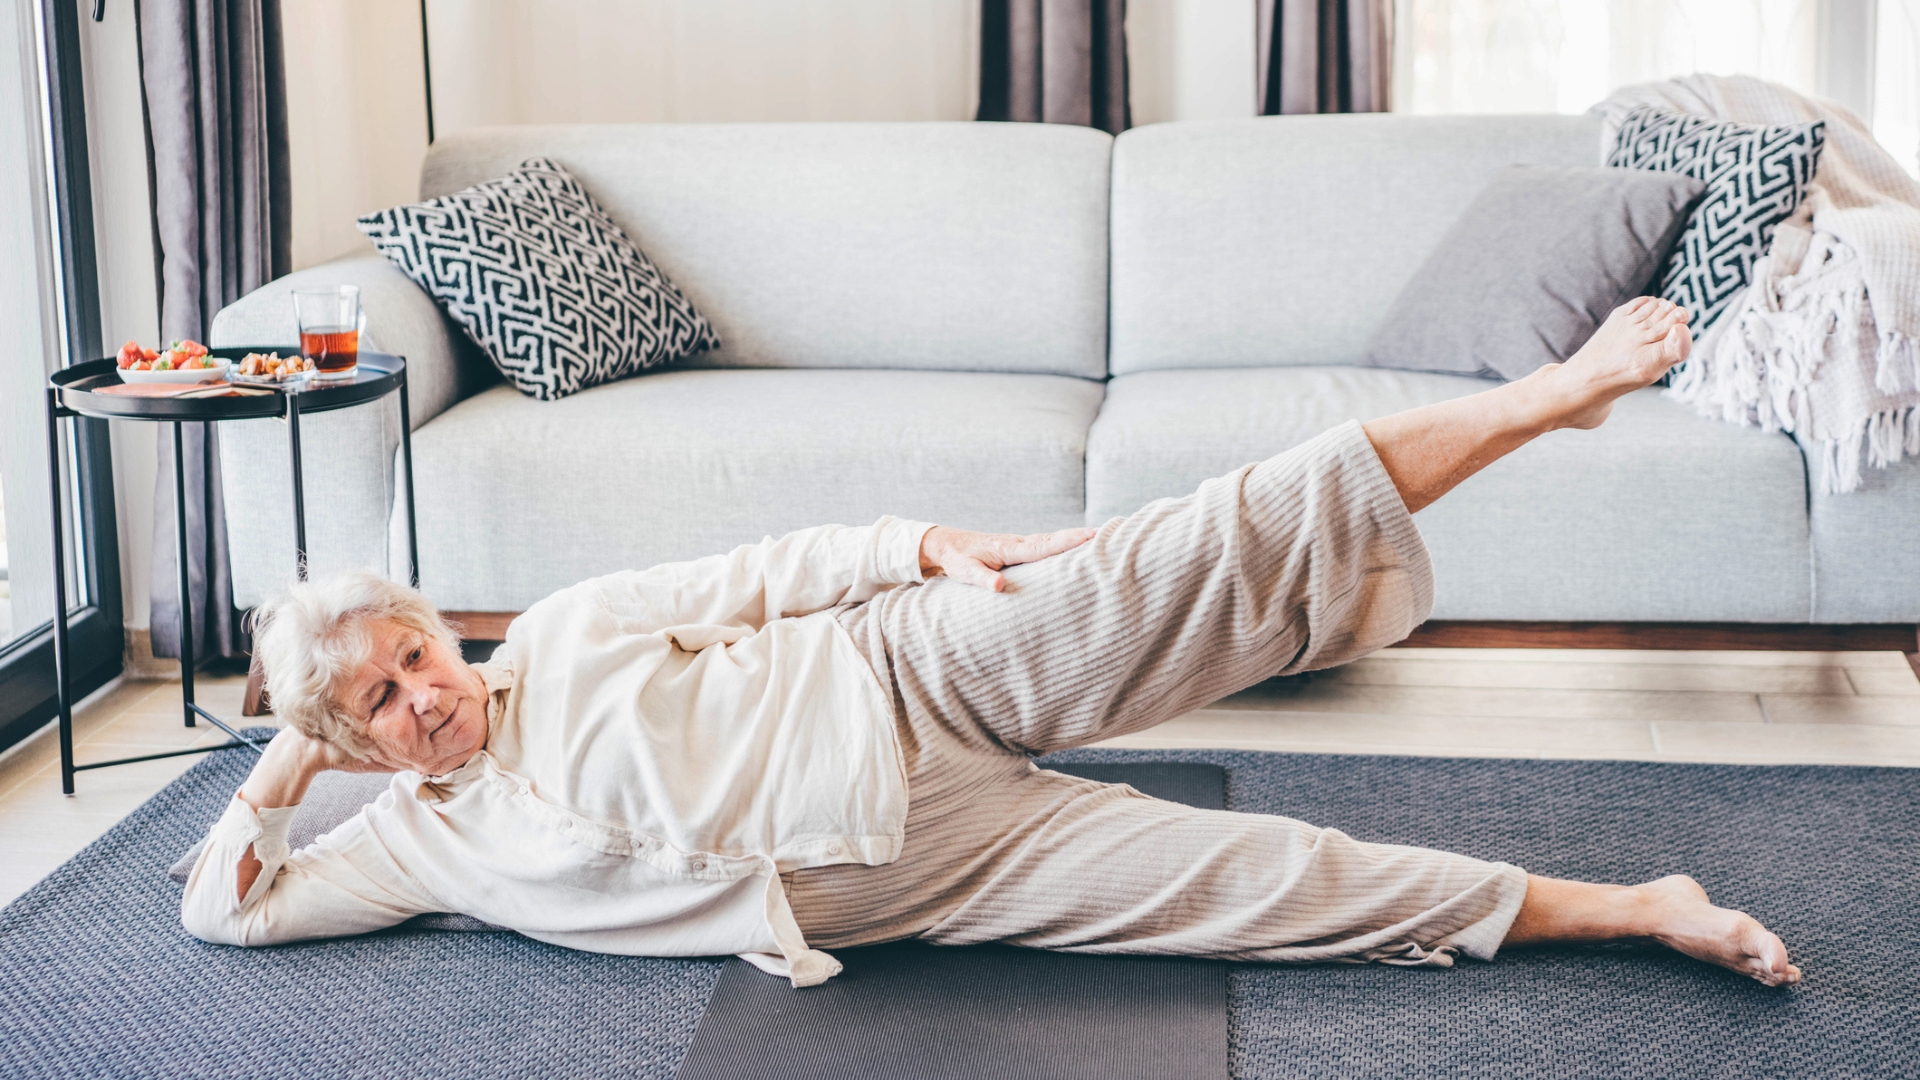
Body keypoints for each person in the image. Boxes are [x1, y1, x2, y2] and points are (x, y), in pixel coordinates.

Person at [181, 297, 1800, 989]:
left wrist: (925, 549)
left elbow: (765, 571)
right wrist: (285, 758)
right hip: (909, 872)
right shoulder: (412, 852)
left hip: (903, 668)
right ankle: (1631, 910)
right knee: (1262, 888)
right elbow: (224, 921)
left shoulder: (558, 627)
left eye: (412, 655)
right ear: (349, 744)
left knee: (1203, 542)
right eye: (380, 705)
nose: (422, 699)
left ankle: (1544, 395)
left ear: (434, 627)